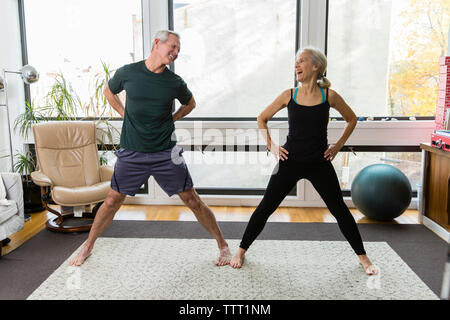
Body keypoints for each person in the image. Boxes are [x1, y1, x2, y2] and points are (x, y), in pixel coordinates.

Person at [70, 30, 231, 267]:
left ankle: (223, 246)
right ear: (157, 43)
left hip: (165, 151)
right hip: (132, 151)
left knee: (192, 200)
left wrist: (173, 118)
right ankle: (87, 247)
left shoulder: (174, 82)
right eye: (173, 47)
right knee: (113, 200)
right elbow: (109, 91)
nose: (176, 53)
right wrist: (125, 115)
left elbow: (191, 103)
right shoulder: (128, 72)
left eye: (178, 50)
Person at [230, 47, 378, 275]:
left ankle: (363, 258)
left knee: (339, 210)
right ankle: (241, 250)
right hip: (290, 160)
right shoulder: (289, 95)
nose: (296, 66)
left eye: (301, 61)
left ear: (316, 66)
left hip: (319, 163)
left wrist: (338, 146)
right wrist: (271, 146)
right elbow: (262, 118)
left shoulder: (330, 96)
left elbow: (351, 119)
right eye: (296, 62)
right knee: (266, 207)